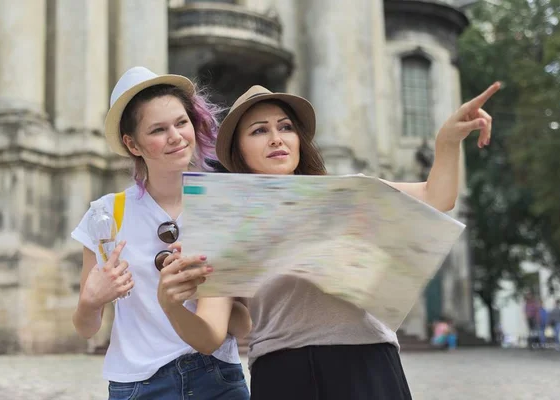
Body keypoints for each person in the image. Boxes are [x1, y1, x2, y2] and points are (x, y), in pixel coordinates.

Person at [203, 83, 500, 399]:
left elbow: (436, 196)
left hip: (366, 359)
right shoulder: (228, 219)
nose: (277, 137)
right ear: (239, 150)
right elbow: (216, 324)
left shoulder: (349, 195)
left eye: (285, 127)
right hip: (282, 369)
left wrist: (448, 141)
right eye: (259, 131)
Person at [71, 66, 251, 400]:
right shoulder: (106, 215)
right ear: (132, 144)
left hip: (218, 378)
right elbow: (86, 327)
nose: (176, 137)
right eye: (158, 129)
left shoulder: (224, 202)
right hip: (139, 384)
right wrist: (91, 301)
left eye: (182, 123)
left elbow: (243, 323)